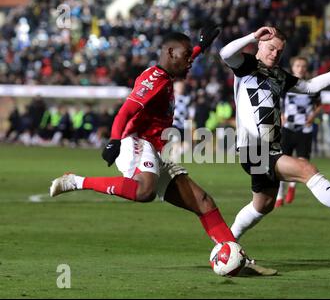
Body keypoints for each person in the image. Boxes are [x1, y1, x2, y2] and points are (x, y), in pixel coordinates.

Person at [49, 28, 276, 276]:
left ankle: (238, 257)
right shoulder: (154, 80)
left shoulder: (166, 75)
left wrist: (201, 46)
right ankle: (76, 181)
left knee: (203, 202)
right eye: (187, 55)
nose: (191, 60)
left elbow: (184, 58)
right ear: (170, 52)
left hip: (156, 149)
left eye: (192, 55)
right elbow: (125, 112)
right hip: (135, 141)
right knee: (145, 191)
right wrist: (114, 141)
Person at [219, 26, 330, 241]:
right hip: (252, 148)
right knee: (306, 168)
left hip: (269, 148)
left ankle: (226, 243)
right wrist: (252, 36)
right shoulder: (246, 65)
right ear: (261, 44)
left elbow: (309, 87)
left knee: (263, 205)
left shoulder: (279, 75)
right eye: (271, 48)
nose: (275, 54)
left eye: (279, 51)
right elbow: (224, 53)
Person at [275, 56, 322, 207]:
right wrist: (281, 115)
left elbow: (319, 105)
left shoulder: (312, 86)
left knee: (302, 162)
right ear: (292, 68)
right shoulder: (286, 85)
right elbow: (277, 102)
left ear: (306, 69)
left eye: (303, 66)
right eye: (297, 66)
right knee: (282, 162)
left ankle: (292, 187)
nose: (300, 68)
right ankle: (279, 196)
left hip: (305, 129)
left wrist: (312, 116)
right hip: (288, 128)